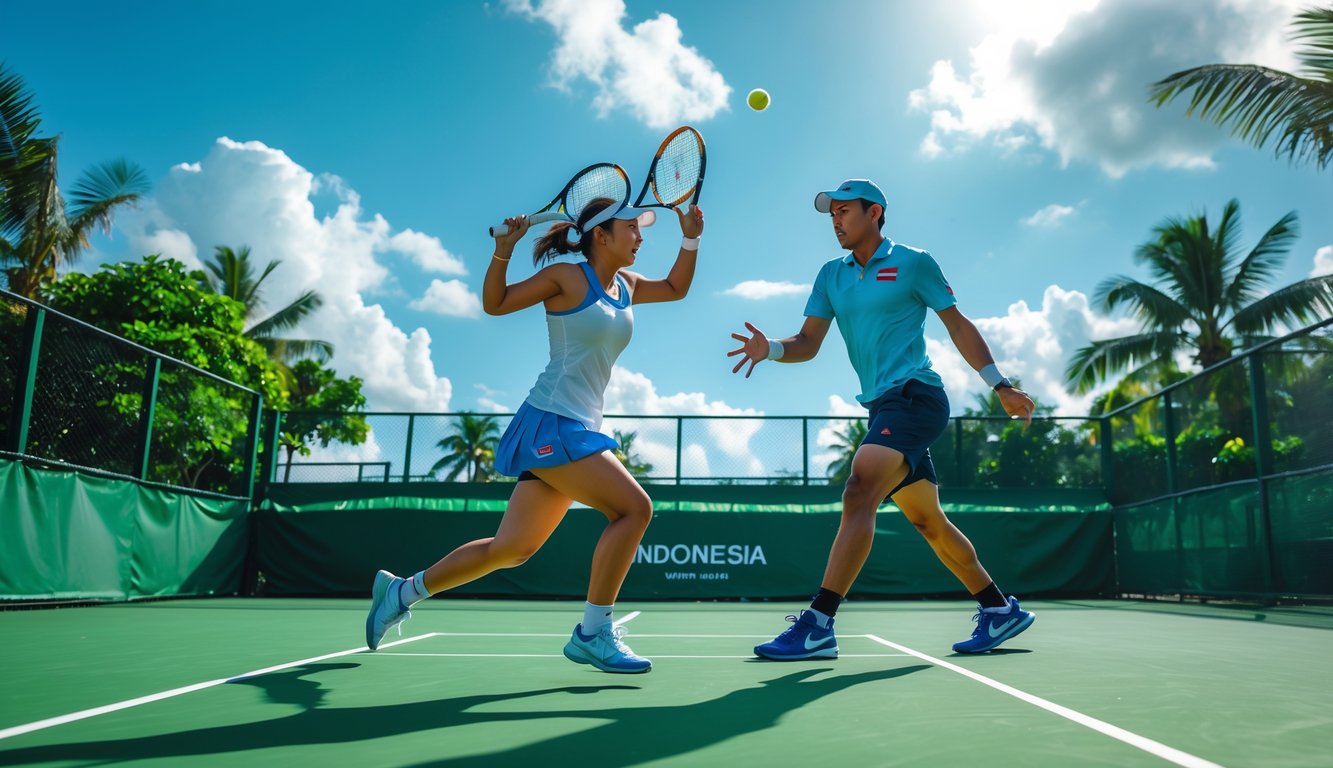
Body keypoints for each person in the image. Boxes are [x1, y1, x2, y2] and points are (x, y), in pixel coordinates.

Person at [366, 195, 705, 673]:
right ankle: (593, 631)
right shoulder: (567, 277)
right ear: (601, 235)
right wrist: (503, 249)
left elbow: (675, 287)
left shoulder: (626, 284)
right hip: (552, 421)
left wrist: (691, 237)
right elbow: (496, 303)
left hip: (577, 427)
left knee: (510, 550)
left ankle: (401, 591)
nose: (641, 236)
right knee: (633, 509)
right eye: (632, 227)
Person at [727, 179, 1036, 658]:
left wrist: (1000, 384)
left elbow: (957, 323)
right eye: (831, 214)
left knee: (859, 489)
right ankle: (999, 610)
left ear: (875, 213)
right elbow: (807, 344)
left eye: (844, 211)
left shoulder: (914, 262)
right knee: (928, 521)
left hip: (916, 396)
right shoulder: (831, 275)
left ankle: (818, 623)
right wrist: (769, 349)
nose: (835, 220)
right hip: (881, 406)